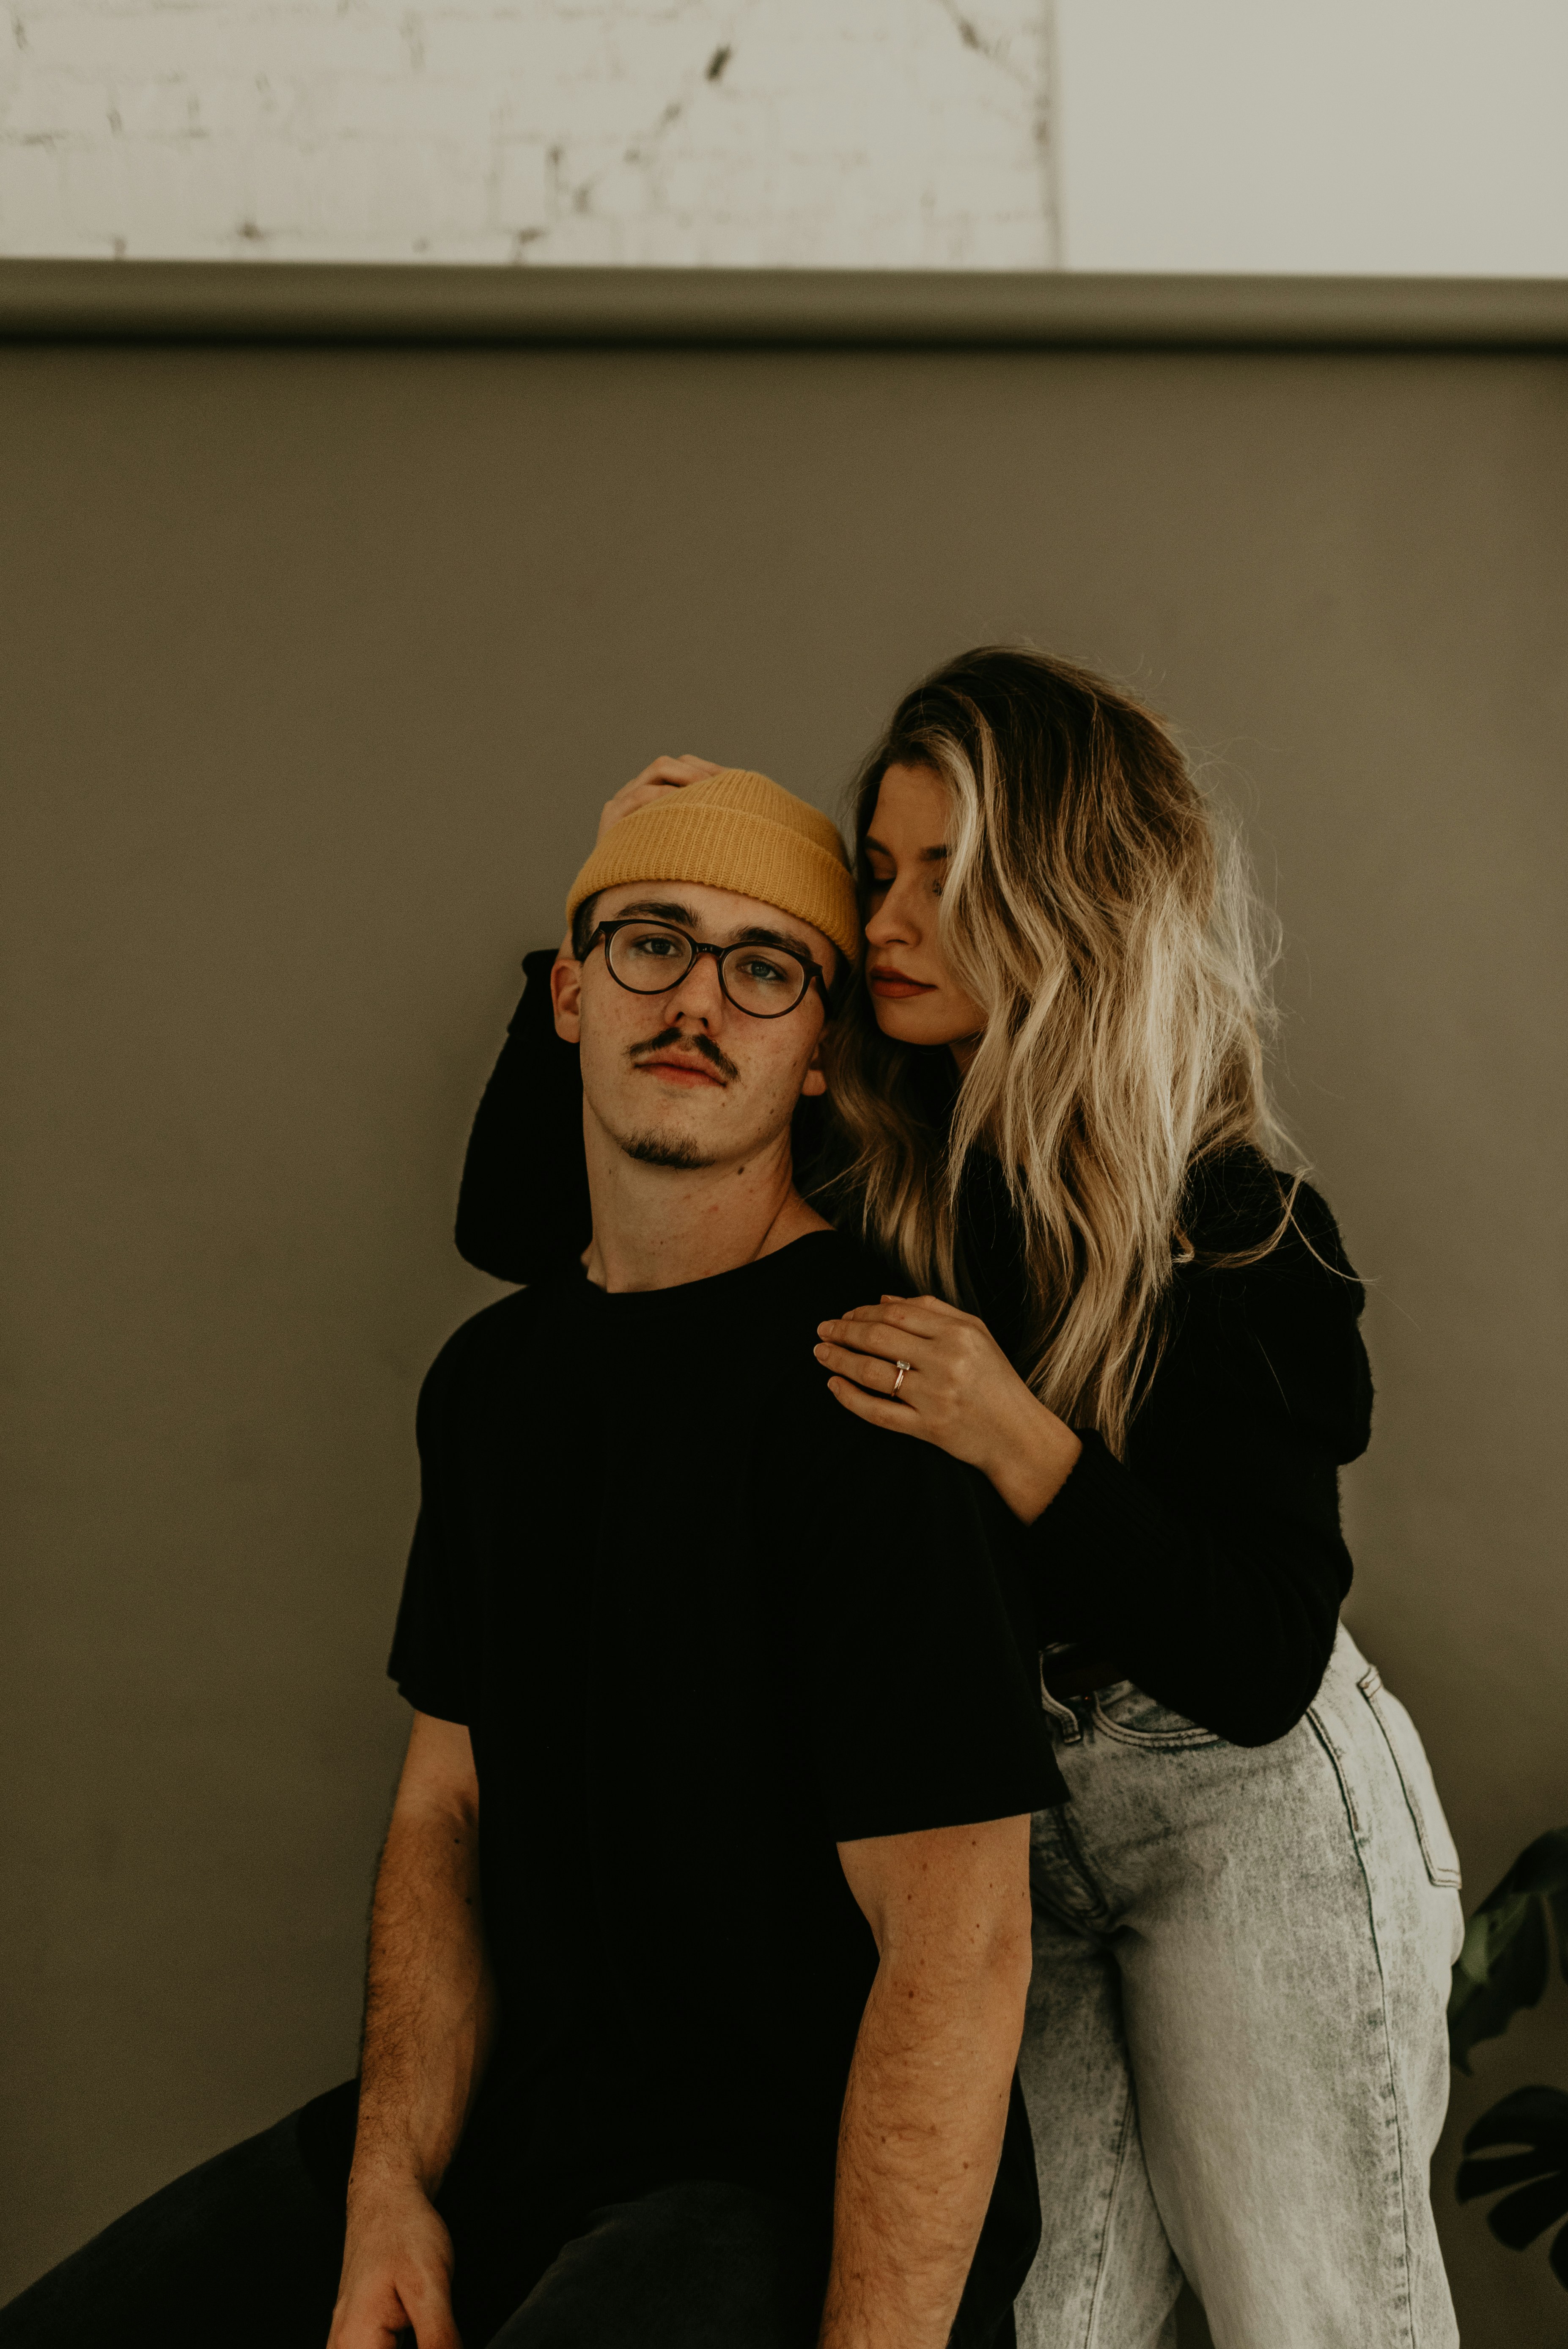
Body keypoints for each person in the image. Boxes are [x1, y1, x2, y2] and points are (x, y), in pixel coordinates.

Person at [452, 650, 1466, 2349]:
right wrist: (615, 887)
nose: (893, 918)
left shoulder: (1229, 1218)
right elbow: (519, 1227)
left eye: (950, 876)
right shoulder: (874, 1143)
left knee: (1318, 2318)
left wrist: (1019, 1437)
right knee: (1044, 2319)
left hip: (1248, 1818)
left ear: (1061, 900)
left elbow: (1261, 1656)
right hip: (1003, 1817)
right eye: (880, 869)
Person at [0, 766, 1064, 2349]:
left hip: (762, 2178)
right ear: (569, 994)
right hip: (520, 2129)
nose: (699, 999)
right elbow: (448, 1803)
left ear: (823, 1053)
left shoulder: (870, 1387)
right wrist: (386, 2190)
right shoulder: (493, 1386)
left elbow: (959, 1944)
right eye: (652, 941)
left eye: (765, 967)